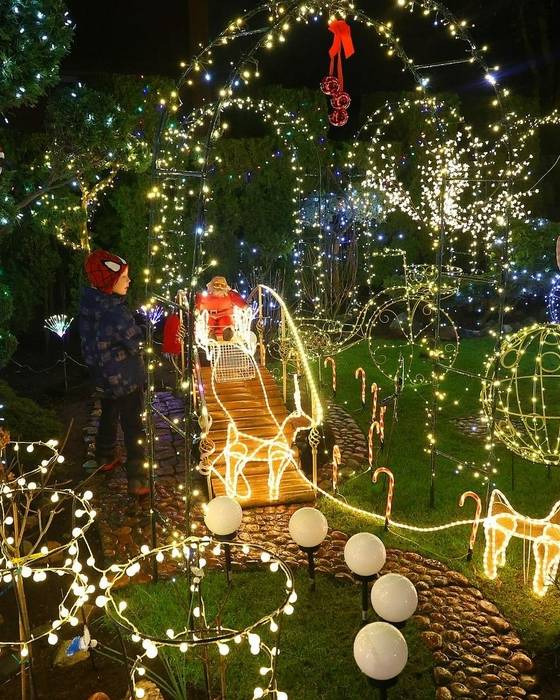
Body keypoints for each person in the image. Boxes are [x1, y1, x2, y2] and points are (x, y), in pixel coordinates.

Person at [79, 250, 148, 497]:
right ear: (109, 281)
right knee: (133, 425)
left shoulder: (89, 305)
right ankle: (137, 478)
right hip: (125, 379)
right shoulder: (116, 313)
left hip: (102, 377)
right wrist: (143, 327)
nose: (129, 281)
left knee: (108, 414)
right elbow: (135, 341)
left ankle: (104, 456)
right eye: (124, 277)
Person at [195, 275, 248, 340]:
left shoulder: (230, 295)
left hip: (225, 315)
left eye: (222, 285)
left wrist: (245, 307)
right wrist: (197, 309)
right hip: (209, 315)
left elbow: (238, 300)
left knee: (226, 321)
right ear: (211, 285)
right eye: (217, 284)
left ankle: (227, 332)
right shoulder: (205, 296)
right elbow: (198, 300)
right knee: (208, 323)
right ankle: (210, 334)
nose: (219, 287)